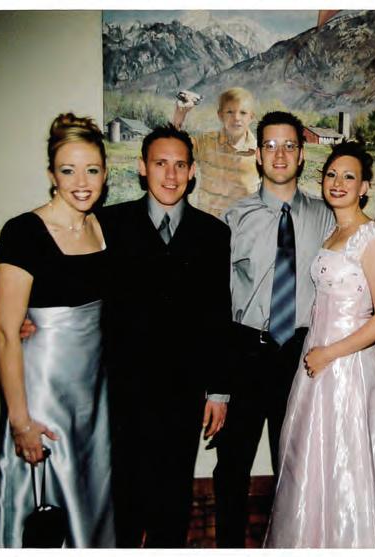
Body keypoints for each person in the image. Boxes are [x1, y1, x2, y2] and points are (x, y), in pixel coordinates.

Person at [97, 124, 232, 547]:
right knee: (123, 495)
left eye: (179, 165)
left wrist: (219, 391)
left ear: (192, 171)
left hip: (182, 392)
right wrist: (34, 319)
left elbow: (218, 315)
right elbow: (78, 290)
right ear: (142, 167)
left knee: (172, 498)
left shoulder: (213, 234)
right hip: (122, 389)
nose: (170, 176)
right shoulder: (108, 225)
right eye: (160, 164)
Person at [264, 141, 375, 548]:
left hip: (348, 367)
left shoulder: (371, 238)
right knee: (308, 459)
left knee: (345, 462)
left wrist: (330, 354)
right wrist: (317, 354)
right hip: (316, 362)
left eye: (349, 176)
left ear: (365, 187)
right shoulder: (333, 232)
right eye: (332, 174)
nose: (338, 182)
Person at [213, 111, 335, 547]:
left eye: (288, 145)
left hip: (300, 355)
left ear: (302, 155)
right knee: (232, 466)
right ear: (258, 154)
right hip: (245, 351)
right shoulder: (235, 217)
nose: (279, 154)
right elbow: (217, 299)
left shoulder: (326, 217)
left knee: (296, 464)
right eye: (270, 145)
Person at [0, 113, 114, 547]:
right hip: (44, 391)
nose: (81, 182)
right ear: (51, 175)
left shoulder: (103, 227)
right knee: (46, 501)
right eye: (68, 170)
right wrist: (20, 421)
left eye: (92, 170)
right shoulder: (24, 232)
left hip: (94, 392)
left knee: (90, 493)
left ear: (105, 173)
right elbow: (5, 333)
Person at [173, 86, 260, 216]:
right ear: (220, 115)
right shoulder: (206, 142)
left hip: (243, 225)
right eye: (230, 112)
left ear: (251, 117)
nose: (236, 117)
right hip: (208, 223)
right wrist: (180, 114)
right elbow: (174, 147)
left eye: (243, 113)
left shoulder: (261, 152)